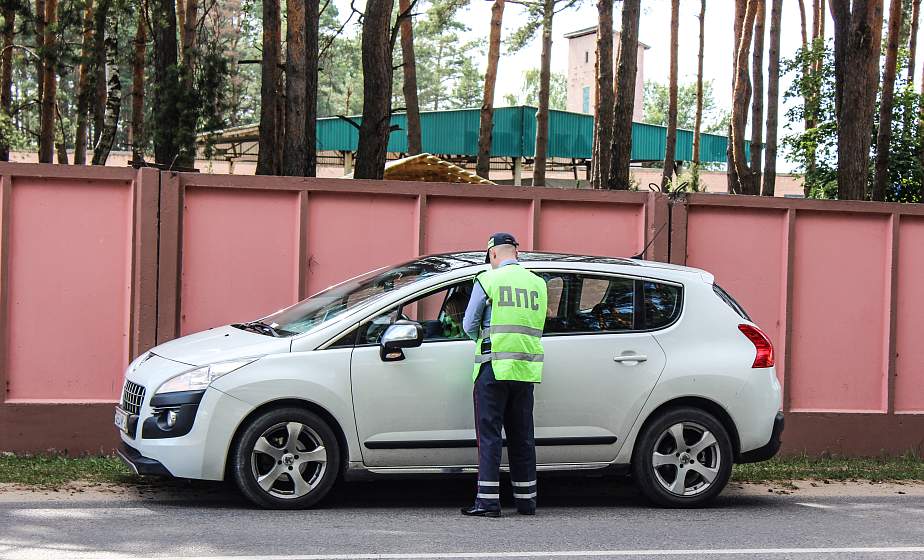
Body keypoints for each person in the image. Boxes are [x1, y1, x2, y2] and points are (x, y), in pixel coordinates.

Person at [460, 233, 548, 518]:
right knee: (522, 437)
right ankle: (527, 501)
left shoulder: (488, 279)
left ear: (493, 254)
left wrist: (483, 339)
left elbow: (469, 324)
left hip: (493, 367)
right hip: (525, 370)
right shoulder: (538, 284)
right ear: (516, 253)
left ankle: (488, 502)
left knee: (490, 437)